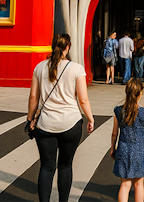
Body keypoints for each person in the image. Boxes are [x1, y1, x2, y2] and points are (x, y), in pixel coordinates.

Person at [27, 34, 95, 202]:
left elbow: (33, 98)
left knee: (47, 167)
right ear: (68, 47)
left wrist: (30, 120)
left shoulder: (40, 67)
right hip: (71, 123)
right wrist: (90, 118)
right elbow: (83, 99)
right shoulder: (77, 68)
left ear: (52, 46)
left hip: (45, 125)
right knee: (65, 166)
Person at [111, 78, 144, 202]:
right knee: (138, 185)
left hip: (123, 149)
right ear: (140, 94)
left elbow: (114, 133)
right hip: (138, 151)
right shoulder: (142, 113)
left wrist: (113, 148)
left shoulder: (119, 111)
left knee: (125, 185)